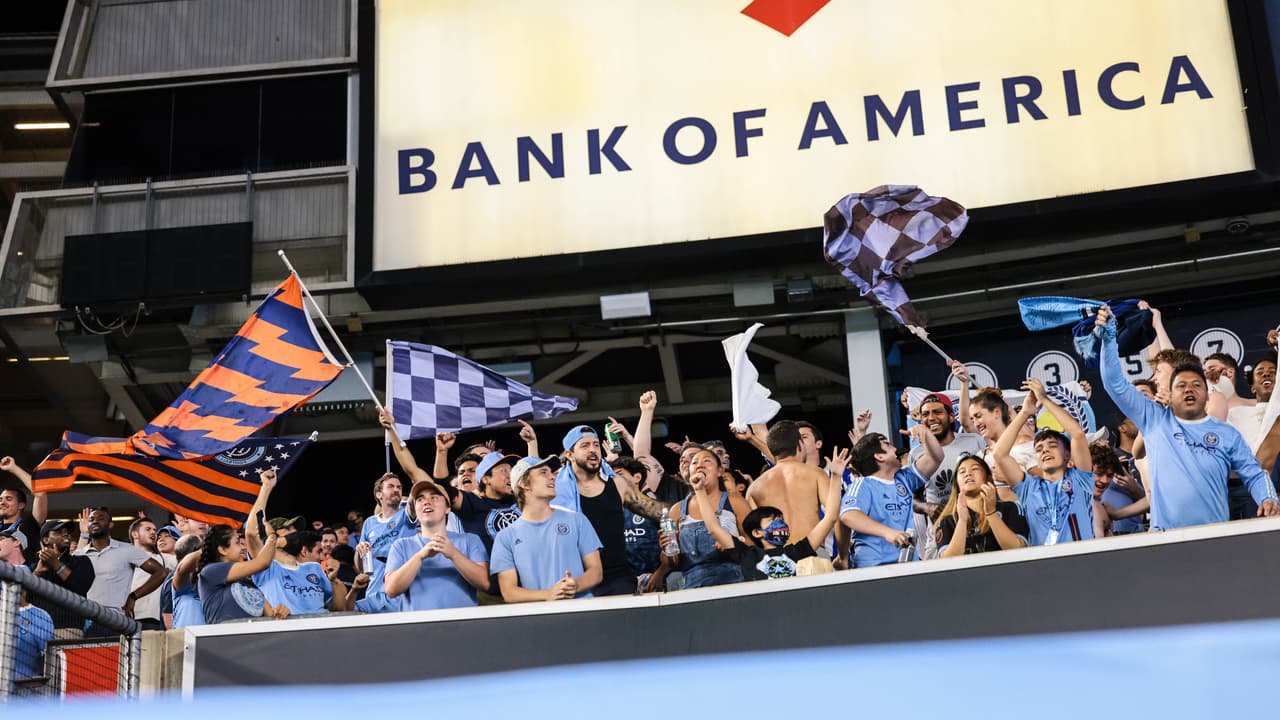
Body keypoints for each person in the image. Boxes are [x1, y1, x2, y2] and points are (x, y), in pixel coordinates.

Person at [1097, 305, 1280, 528]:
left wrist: (1268, 497)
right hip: (1166, 538)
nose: (1188, 389)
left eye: (1196, 385)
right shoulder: (1153, 417)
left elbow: (1254, 473)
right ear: (1172, 389)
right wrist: (1108, 339)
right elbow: (1113, 383)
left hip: (1212, 536)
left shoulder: (1226, 434)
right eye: (1182, 385)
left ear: (1207, 391)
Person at [382, 409, 513, 603]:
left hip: (504, 582)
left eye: (479, 466)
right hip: (478, 593)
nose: (428, 501)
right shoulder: (442, 495)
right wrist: (392, 430)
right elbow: (413, 470)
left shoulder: (505, 501)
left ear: (485, 476)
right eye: (464, 471)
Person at [557, 420, 667, 596]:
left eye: (595, 445)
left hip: (618, 580)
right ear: (569, 455)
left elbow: (654, 509)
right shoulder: (556, 492)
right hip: (577, 580)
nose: (593, 450)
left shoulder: (617, 484)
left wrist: (690, 508)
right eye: (585, 445)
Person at [704, 448, 848, 580]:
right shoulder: (747, 554)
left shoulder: (798, 551)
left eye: (781, 520)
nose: (780, 524)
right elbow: (714, 529)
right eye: (772, 520)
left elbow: (830, 517)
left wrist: (835, 478)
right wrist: (699, 491)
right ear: (756, 532)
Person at [992, 378, 1104, 544]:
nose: (1045, 450)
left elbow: (1078, 434)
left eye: (1052, 445)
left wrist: (1044, 399)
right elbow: (1000, 454)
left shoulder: (1080, 479)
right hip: (1044, 564)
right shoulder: (1028, 487)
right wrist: (1025, 413)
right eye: (1038, 449)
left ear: (1068, 455)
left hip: (1083, 560)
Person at [490, 456, 603, 602]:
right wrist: (548, 594)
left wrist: (575, 586)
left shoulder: (577, 520)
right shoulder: (505, 537)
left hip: (581, 612)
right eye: (543, 472)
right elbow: (509, 592)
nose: (552, 477)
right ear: (524, 483)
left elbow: (596, 571)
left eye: (552, 472)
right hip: (540, 620)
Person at [839, 425, 942, 567]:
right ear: (879, 456)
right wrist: (888, 533)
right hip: (873, 568)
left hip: (907, 565)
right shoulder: (863, 484)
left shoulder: (904, 478)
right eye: (888, 445)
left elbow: (936, 457)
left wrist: (925, 433)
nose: (895, 449)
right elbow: (848, 515)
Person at [652, 447, 751, 589]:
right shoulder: (677, 510)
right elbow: (672, 563)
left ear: (720, 471)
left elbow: (753, 542)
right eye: (694, 463)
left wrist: (734, 543)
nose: (700, 465)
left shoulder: (735, 502)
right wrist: (666, 549)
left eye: (707, 461)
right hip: (693, 586)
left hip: (735, 582)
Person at [385, 480, 489, 611]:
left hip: (463, 625)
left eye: (434, 497)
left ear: (448, 508)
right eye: (420, 499)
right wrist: (420, 556)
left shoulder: (470, 540)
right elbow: (391, 590)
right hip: (417, 627)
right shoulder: (401, 546)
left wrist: (453, 554)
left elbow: (484, 583)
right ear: (416, 511)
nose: (426, 502)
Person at [746, 420, 840, 561]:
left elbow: (754, 535)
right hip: (812, 554)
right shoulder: (816, 474)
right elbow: (835, 517)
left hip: (777, 561)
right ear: (799, 445)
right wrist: (843, 556)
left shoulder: (754, 488)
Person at [73, 508, 167, 636]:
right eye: (91, 520)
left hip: (115, 620)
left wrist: (133, 597)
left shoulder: (126, 550)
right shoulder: (79, 554)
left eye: (101, 519)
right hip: (85, 621)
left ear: (110, 525)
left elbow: (160, 572)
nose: (95, 522)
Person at [934, 455, 1029, 556]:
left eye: (974, 469)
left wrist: (991, 513)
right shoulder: (947, 521)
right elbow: (948, 562)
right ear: (956, 483)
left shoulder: (1010, 508)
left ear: (988, 477)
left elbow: (1018, 550)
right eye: (962, 471)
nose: (968, 474)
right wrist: (962, 521)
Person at [910, 391, 987, 516]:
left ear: (951, 416)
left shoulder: (974, 441)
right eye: (925, 414)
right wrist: (926, 507)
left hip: (979, 520)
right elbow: (911, 498)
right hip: (942, 528)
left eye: (937, 412)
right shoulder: (916, 453)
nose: (931, 418)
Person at [196, 523, 291, 624]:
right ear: (223, 550)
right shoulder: (211, 572)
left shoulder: (249, 584)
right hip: (225, 639)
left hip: (255, 639)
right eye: (238, 543)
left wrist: (280, 612)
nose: (243, 548)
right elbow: (263, 562)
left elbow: (272, 618)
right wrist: (272, 536)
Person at [32, 520, 95, 638]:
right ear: (46, 540)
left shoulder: (80, 561)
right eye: (59, 532)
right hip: (37, 629)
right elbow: (23, 597)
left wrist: (56, 563)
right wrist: (37, 572)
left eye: (67, 532)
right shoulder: (34, 566)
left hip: (68, 629)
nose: (66, 534)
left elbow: (79, 588)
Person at [128, 517, 177, 631]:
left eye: (154, 530)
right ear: (135, 534)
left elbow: (188, 557)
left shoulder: (164, 559)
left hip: (150, 621)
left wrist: (184, 533)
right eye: (148, 529)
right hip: (122, 619)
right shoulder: (123, 555)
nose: (153, 532)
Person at [0, 465, 42, 565]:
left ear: (21, 505)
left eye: (8, 499)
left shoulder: (29, 525)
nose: (2, 502)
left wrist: (13, 468)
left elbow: (40, 493)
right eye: (0, 499)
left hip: (24, 578)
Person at [165, 534, 207, 629]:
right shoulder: (175, 579)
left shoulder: (206, 579)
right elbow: (167, 615)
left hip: (208, 638)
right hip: (184, 640)